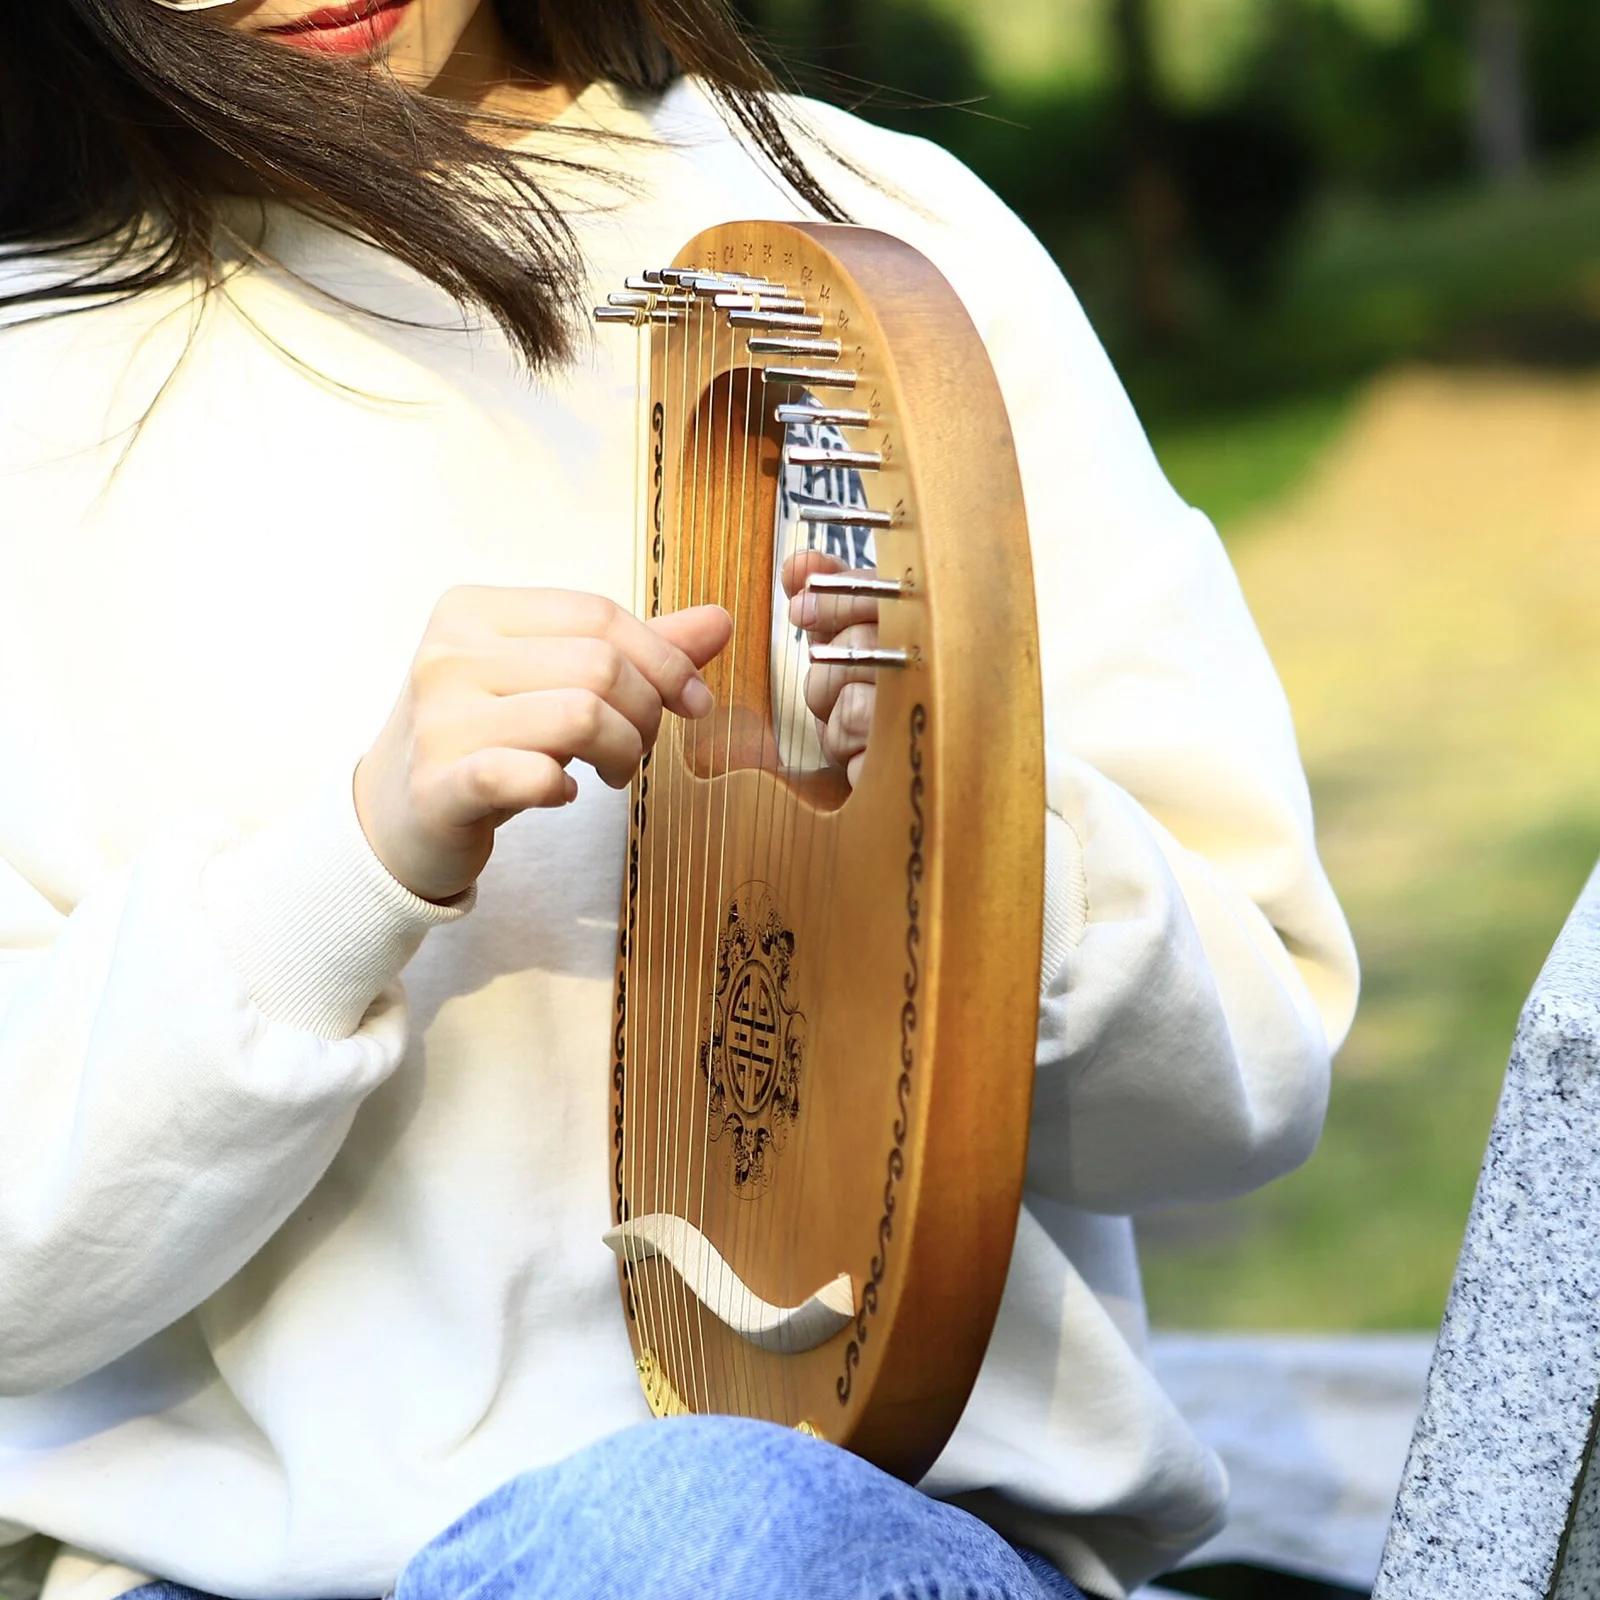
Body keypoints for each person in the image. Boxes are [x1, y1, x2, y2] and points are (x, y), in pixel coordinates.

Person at [0, 3, 1360, 1599]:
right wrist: (348, 871)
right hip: (229, 1578)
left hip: (847, 1537)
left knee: (689, 1533)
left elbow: (1249, 1081)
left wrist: (957, 823)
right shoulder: (36, 370)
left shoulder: (890, 242)